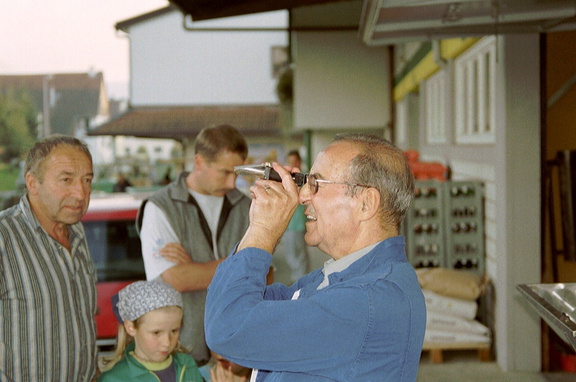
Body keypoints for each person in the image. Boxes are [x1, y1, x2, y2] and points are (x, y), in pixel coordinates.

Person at [205, 133, 427, 381]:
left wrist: (263, 232)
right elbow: (238, 306)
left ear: (365, 203)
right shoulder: (343, 278)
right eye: (305, 183)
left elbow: (227, 328)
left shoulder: (367, 300)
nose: (302, 196)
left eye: (317, 184)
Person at [137, 124, 252, 370]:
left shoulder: (246, 206)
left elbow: (266, 274)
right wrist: (242, 263)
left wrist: (196, 268)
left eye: (237, 174)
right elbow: (176, 279)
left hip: (234, 360)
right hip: (179, 357)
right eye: (225, 173)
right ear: (199, 162)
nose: (233, 183)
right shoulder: (160, 207)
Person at [0, 135, 98, 381]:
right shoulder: (4, 237)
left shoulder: (76, 232)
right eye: (66, 179)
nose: (80, 193)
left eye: (87, 180)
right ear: (33, 183)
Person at [98, 280, 205, 381]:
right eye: (156, 333)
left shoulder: (188, 365)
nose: (167, 343)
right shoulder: (114, 379)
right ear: (130, 328)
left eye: (174, 331)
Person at [280, 149, 309, 282]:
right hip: (287, 224)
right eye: (289, 161)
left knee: (300, 254)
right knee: (290, 254)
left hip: (298, 224)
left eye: (294, 161)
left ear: (299, 162)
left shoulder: (304, 180)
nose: (291, 164)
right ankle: (297, 279)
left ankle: (300, 281)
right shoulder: (284, 180)